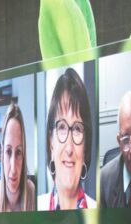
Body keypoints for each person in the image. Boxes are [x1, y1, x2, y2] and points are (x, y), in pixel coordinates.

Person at [38, 68, 96, 210]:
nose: (69, 148)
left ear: (85, 146)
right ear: (51, 142)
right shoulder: (35, 208)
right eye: (62, 127)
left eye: (77, 129)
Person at [0, 102, 36, 212]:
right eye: (8, 151)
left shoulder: (31, 191)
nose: (13, 169)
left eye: (18, 152)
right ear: (2, 153)